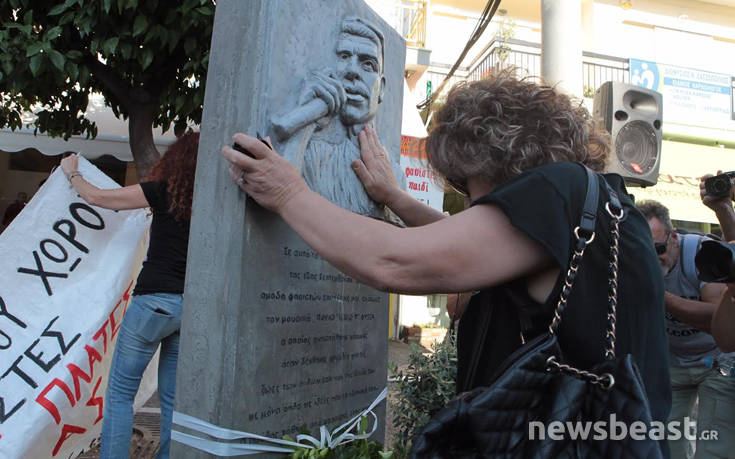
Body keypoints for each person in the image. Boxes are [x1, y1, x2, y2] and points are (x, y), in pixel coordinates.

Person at [224, 71, 672, 435]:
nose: (466, 195)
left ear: (490, 156)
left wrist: (289, 194)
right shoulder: (598, 204)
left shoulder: (558, 191)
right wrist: (397, 199)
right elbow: (476, 244)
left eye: (462, 180)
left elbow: (395, 261)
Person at [60, 131, 199, 459]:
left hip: (153, 302)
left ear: (174, 161)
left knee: (121, 394)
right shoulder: (211, 203)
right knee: (172, 401)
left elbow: (99, 198)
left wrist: (72, 172)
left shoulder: (162, 190)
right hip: (188, 306)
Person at [638, 200, 735, 459]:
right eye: (644, 251)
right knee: (664, 446)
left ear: (674, 239)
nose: (652, 258)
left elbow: (717, 316)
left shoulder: (701, 254)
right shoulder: (634, 263)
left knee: (714, 448)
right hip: (673, 363)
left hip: (717, 360)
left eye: (658, 248)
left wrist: (662, 295)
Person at [270, 16, 392, 219]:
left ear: (382, 89)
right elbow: (280, 198)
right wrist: (306, 123)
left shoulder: (394, 176)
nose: (352, 70)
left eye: (368, 64)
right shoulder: (314, 157)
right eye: (344, 56)